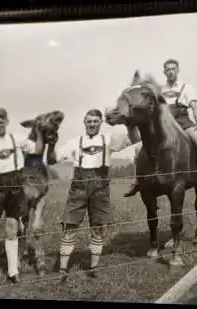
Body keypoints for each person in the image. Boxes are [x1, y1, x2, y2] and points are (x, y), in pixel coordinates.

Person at [52, 109, 139, 280]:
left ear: (100, 123)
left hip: (100, 190)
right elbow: (54, 158)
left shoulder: (109, 139)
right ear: (84, 122)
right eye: (89, 121)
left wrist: (129, 122)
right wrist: (50, 139)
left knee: (98, 228)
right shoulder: (74, 142)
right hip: (78, 189)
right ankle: (62, 270)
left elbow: (135, 139)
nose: (92, 124)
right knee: (69, 227)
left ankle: (93, 268)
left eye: (95, 121)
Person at [123, 58, 197, 197]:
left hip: (183, 122)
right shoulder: (160, 90)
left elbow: (194, 107)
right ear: (164, 72)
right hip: (164, 125)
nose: (171, 72)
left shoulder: (187, 88)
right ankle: (138, 180)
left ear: (177, 70)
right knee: (139, 148)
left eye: (173, 69)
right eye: (168, 69)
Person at [0, 107, 44, 283]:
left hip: (15, 187)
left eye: (1, 122)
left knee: (12, 228)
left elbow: (37, 149)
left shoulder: (17, 138)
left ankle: (13, 272)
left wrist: (38, 131)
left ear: (6, 122)